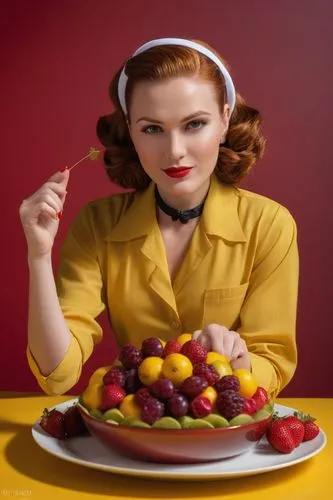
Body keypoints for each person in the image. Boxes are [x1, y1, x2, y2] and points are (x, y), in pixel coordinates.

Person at [19, 38, 298, 399]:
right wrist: (38, 257)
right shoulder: (96, 225)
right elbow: (57, 374)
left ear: (225, 120)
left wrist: (236, 357)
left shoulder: (270, 225)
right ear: (132, 132)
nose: (174, 151)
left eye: (195, 124)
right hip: (132, 427)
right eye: (152, 129)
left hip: (226, 436)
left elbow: (272, 365)